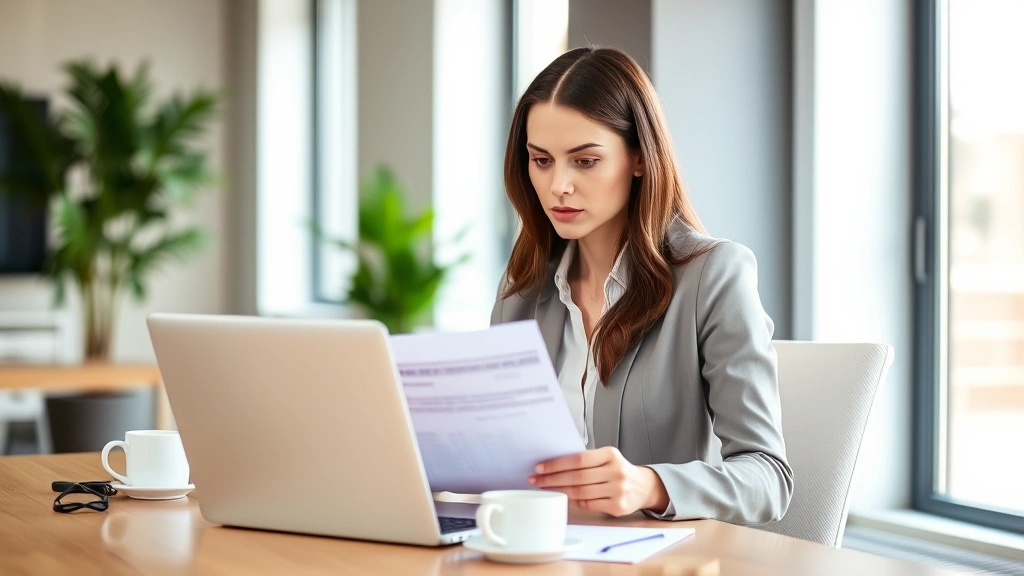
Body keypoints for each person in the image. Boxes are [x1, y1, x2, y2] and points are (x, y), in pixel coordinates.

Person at [490, 47, 794, 524]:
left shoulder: (713, 275)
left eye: (585, 161)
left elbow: (769, 479)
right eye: (541, 160)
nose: (557, 186)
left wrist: (649, 485)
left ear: (637, 158)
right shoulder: (523, 287)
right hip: (544, 549)